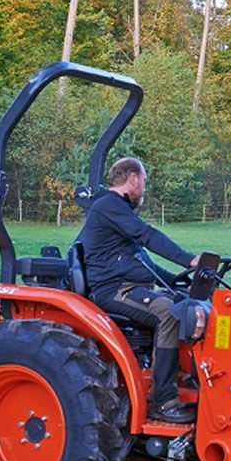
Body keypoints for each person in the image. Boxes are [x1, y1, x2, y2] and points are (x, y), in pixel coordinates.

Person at [77, 157, 200, 423]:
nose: (144, 187)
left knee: (187, 302)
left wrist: (180, 282)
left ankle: (196, 381)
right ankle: (164, 401)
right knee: (169, 313)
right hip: (114, 290)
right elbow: (147, 235)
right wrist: (188, 259)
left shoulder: (118, 212)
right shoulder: (108, 206)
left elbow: (143, 262)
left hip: (130, 286)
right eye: (144, 181)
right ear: (132, 178)